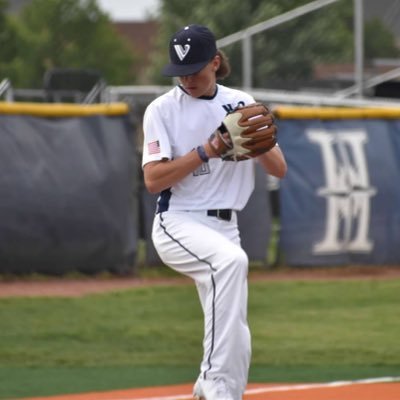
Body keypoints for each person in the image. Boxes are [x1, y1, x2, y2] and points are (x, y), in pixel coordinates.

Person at [142, 24, 287, 400]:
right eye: (181, 71)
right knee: (232, 264)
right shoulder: (162, 110)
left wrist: (258, 143)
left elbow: (278, 169)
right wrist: (206, 150)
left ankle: (229, 392)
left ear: (216, 62)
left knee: (233, 324)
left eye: (195, 69)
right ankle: (212, 386)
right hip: (179, 220)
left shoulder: (240, 102)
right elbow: (154, 180)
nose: (187, 79)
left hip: (227, 226)